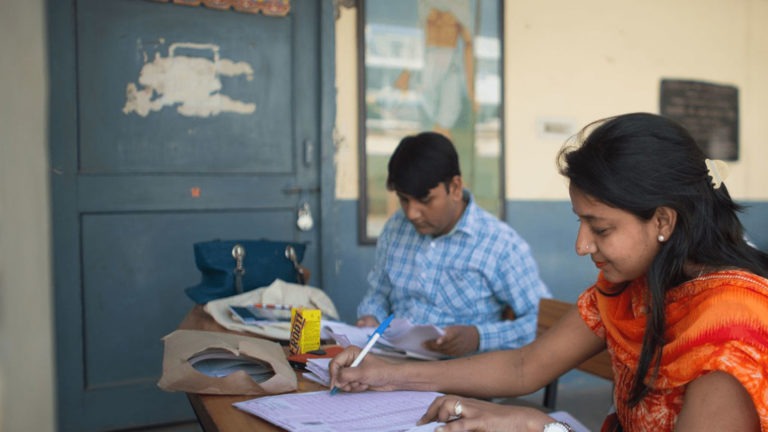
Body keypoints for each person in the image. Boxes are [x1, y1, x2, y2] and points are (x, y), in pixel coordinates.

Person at [332, 113, 768, 431]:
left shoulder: (731, 330)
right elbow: (526, 366)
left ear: (663, 222)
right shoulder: (635, 284)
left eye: (600, 228)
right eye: (580, 222)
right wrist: (385, 373)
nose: (581, 245)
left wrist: (538, 427)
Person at [356, 131, 551, 357]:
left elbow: (541, 322)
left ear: (455, 188)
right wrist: (371, 317)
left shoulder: (500, 245)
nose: (411, 213)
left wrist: (479, 337)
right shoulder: (395, 229)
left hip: (464, 378)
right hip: (394, 363)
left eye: (425, 200)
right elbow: (378, 293)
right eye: (404, 199)